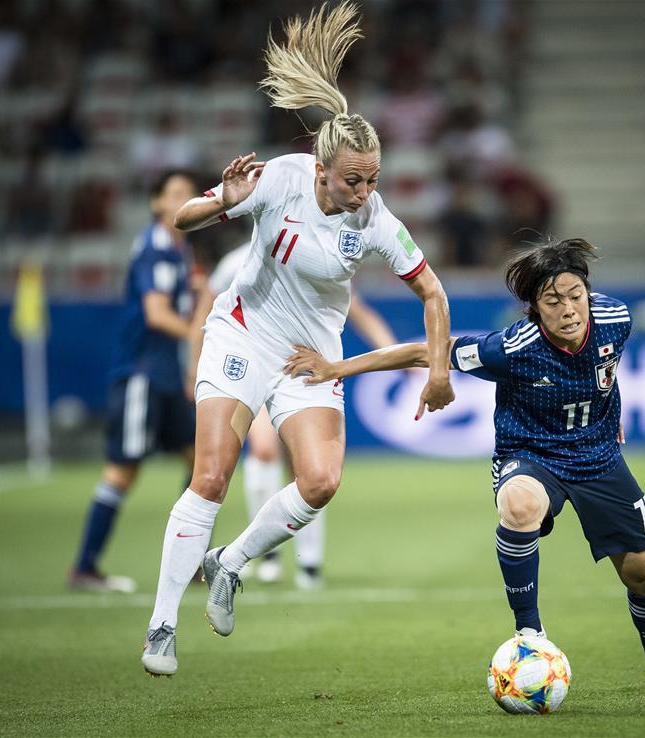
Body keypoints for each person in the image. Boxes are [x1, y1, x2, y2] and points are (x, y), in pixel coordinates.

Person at [141, 2, 454, 677]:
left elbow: (433, 292)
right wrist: (222, 200)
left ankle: (229, 562)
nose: (366, 190)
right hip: (242, 334)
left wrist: (437, 372)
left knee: (320, 482)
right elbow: (186, 221)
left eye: (373, 178)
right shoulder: (278, 179)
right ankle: (162, 625)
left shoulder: (373, 219)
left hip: (307, 362)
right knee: (213, 475)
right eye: (354, 179)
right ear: (320, 169)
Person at [287, 238, 645, 700]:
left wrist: (609, 408)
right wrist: (336, 367)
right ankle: (530, 635)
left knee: (644, 573)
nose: (569, 309)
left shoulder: (616, 319)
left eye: (576, 295)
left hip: (599, 456)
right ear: (535, 309)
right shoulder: (513, 348)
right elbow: (429, 351)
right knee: (518, 503)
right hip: (532, 453)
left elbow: (604, 368)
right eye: (553, 301)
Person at [189, 242, 399, 588]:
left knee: (310, 471)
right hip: (253, 367)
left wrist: (388, 348)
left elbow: (357, 310)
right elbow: (205, 312)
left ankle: (310, 562)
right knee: (264, 450)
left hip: (301, 372)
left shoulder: (311, 252)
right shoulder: (235, 261)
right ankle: (267, 555)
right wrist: (196, 367)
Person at [69, 169, 200, 593]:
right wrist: (202, 332)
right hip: (142, 375)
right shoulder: (155, 247)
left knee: (202, 461)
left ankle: (192, 562)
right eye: (174, 193)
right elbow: (156, 315)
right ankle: (85, 567)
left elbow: (186, 293)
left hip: (166, 376)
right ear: (156, 203)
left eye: (189, 193)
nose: (184, 199)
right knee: (122, 472)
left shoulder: (180, 248)